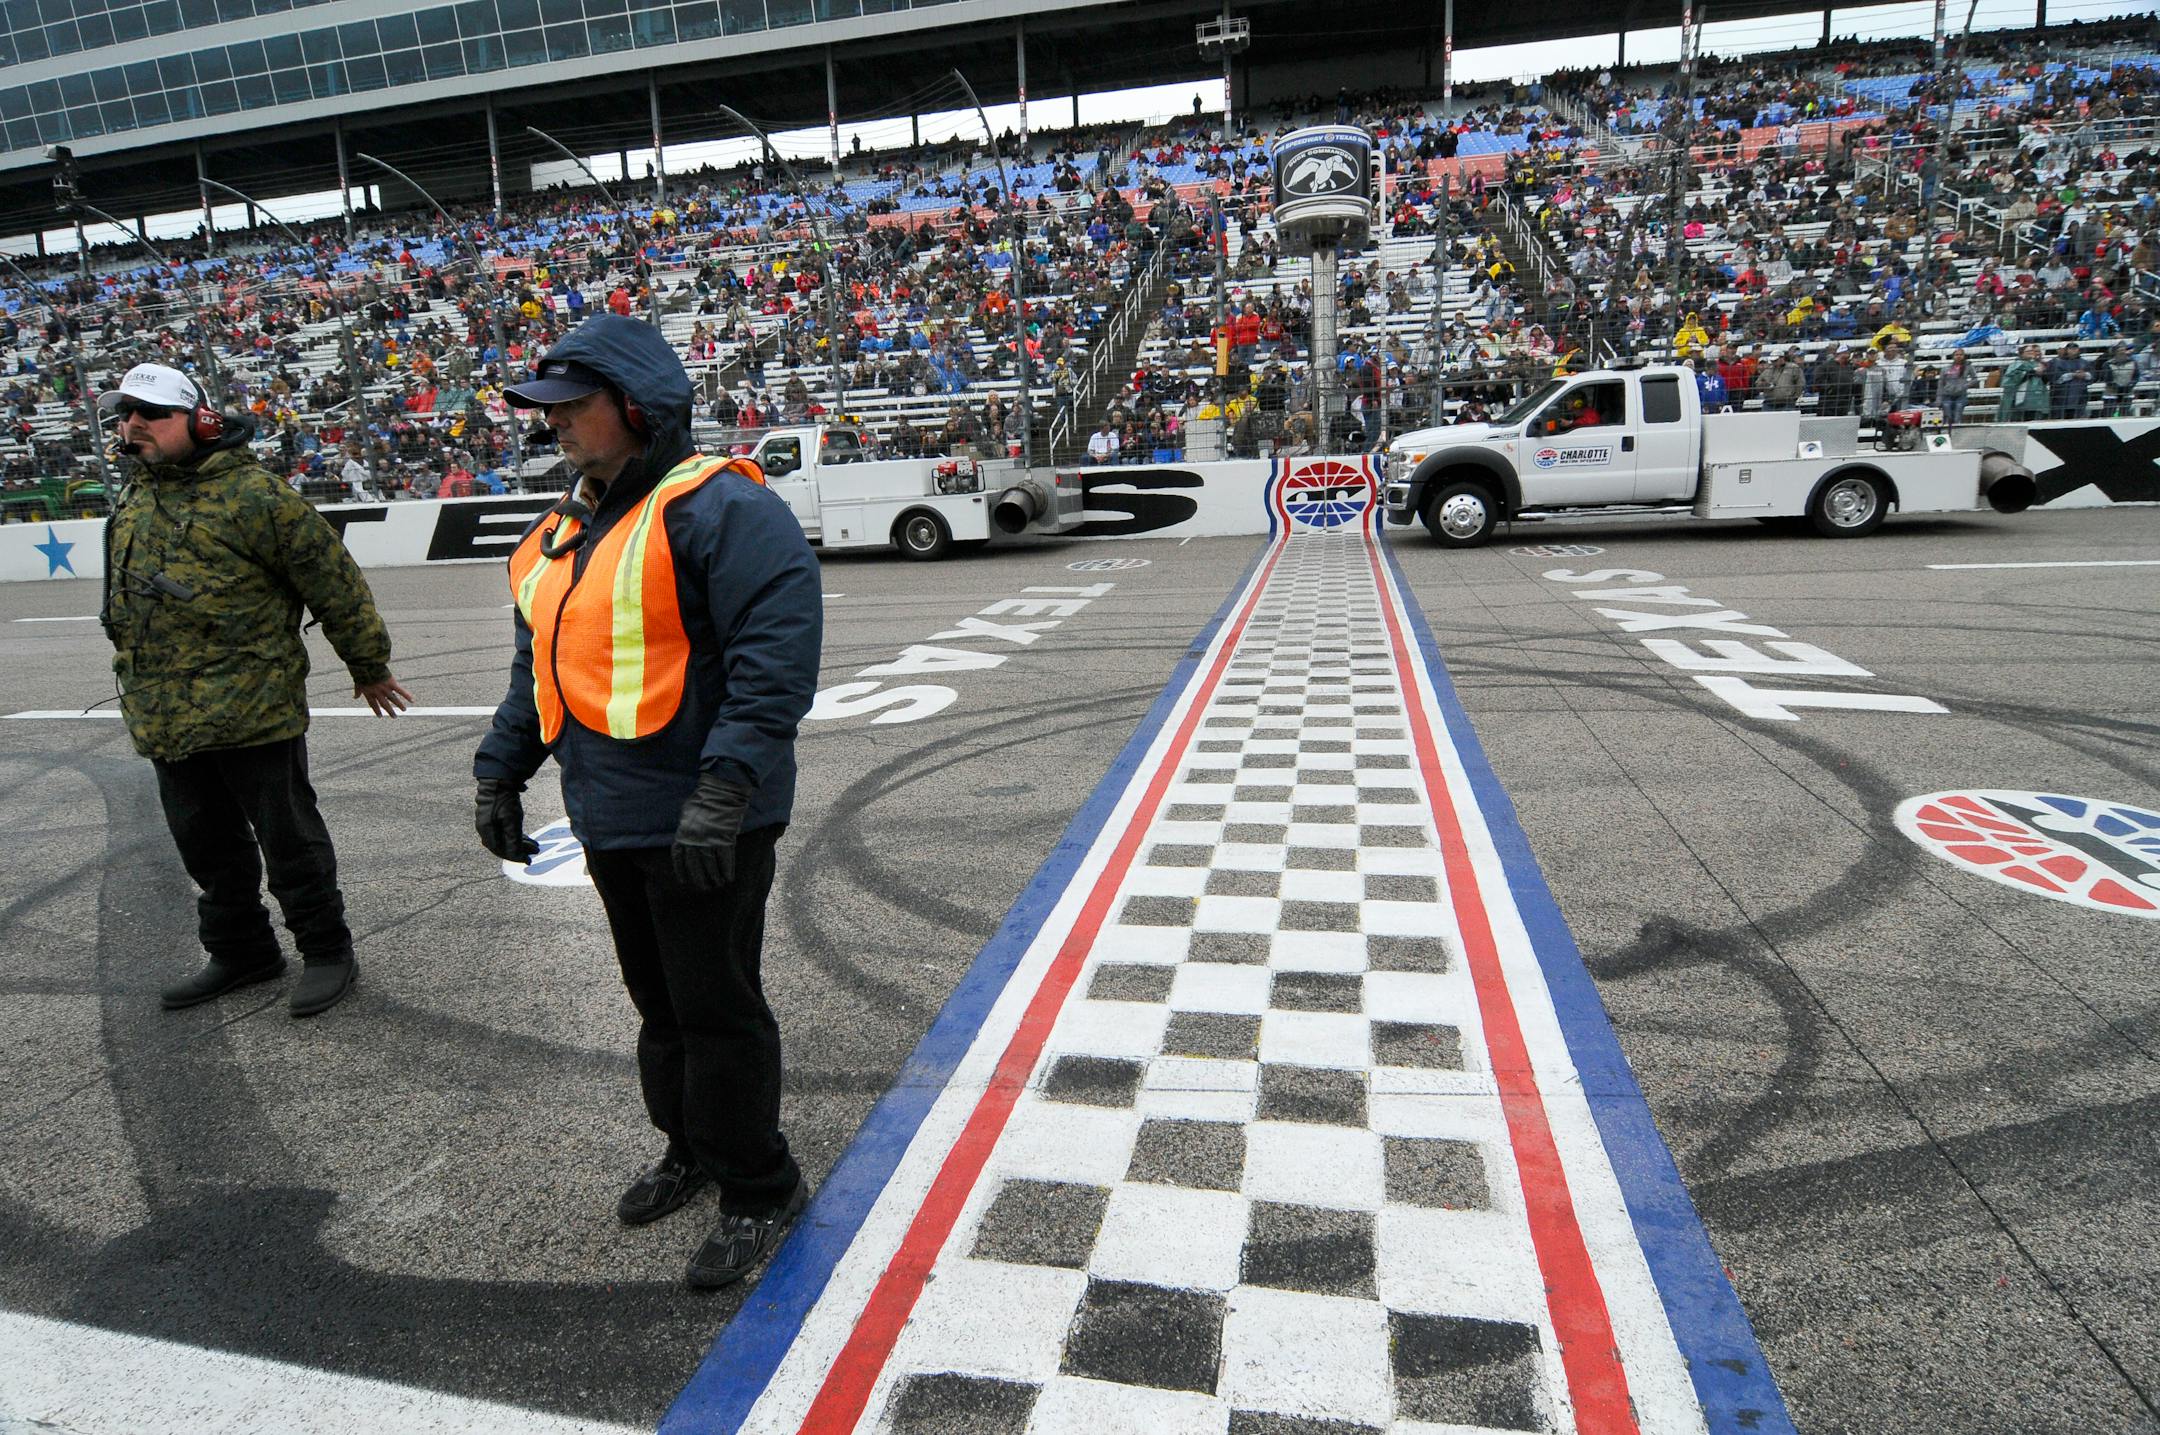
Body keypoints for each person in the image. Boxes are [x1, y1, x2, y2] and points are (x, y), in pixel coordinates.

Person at [472, 315, 821, 1291]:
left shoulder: (719, 510)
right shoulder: (559, 534)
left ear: (637, 407)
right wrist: (500, 768)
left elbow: (775, 663)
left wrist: (725, 787)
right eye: (548, 412)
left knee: (717, 1008)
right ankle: (693, 1147)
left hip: (710, 817)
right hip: (613, 817)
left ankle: (761, 1185)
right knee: (658, 1005)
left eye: (573, 409)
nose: (557, 428)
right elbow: (535, 668)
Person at [99, 363, 412, 1018]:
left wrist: (368, 664)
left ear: (201, 421)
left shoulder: (255, 496)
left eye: (149, 414)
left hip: (253, 709)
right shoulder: (132, 497)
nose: (132, 426)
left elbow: (333, 579)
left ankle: (327, 949)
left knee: (289, 840)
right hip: (166, 716)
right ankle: (243, 951)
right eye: (125, 414)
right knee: (206, 847)